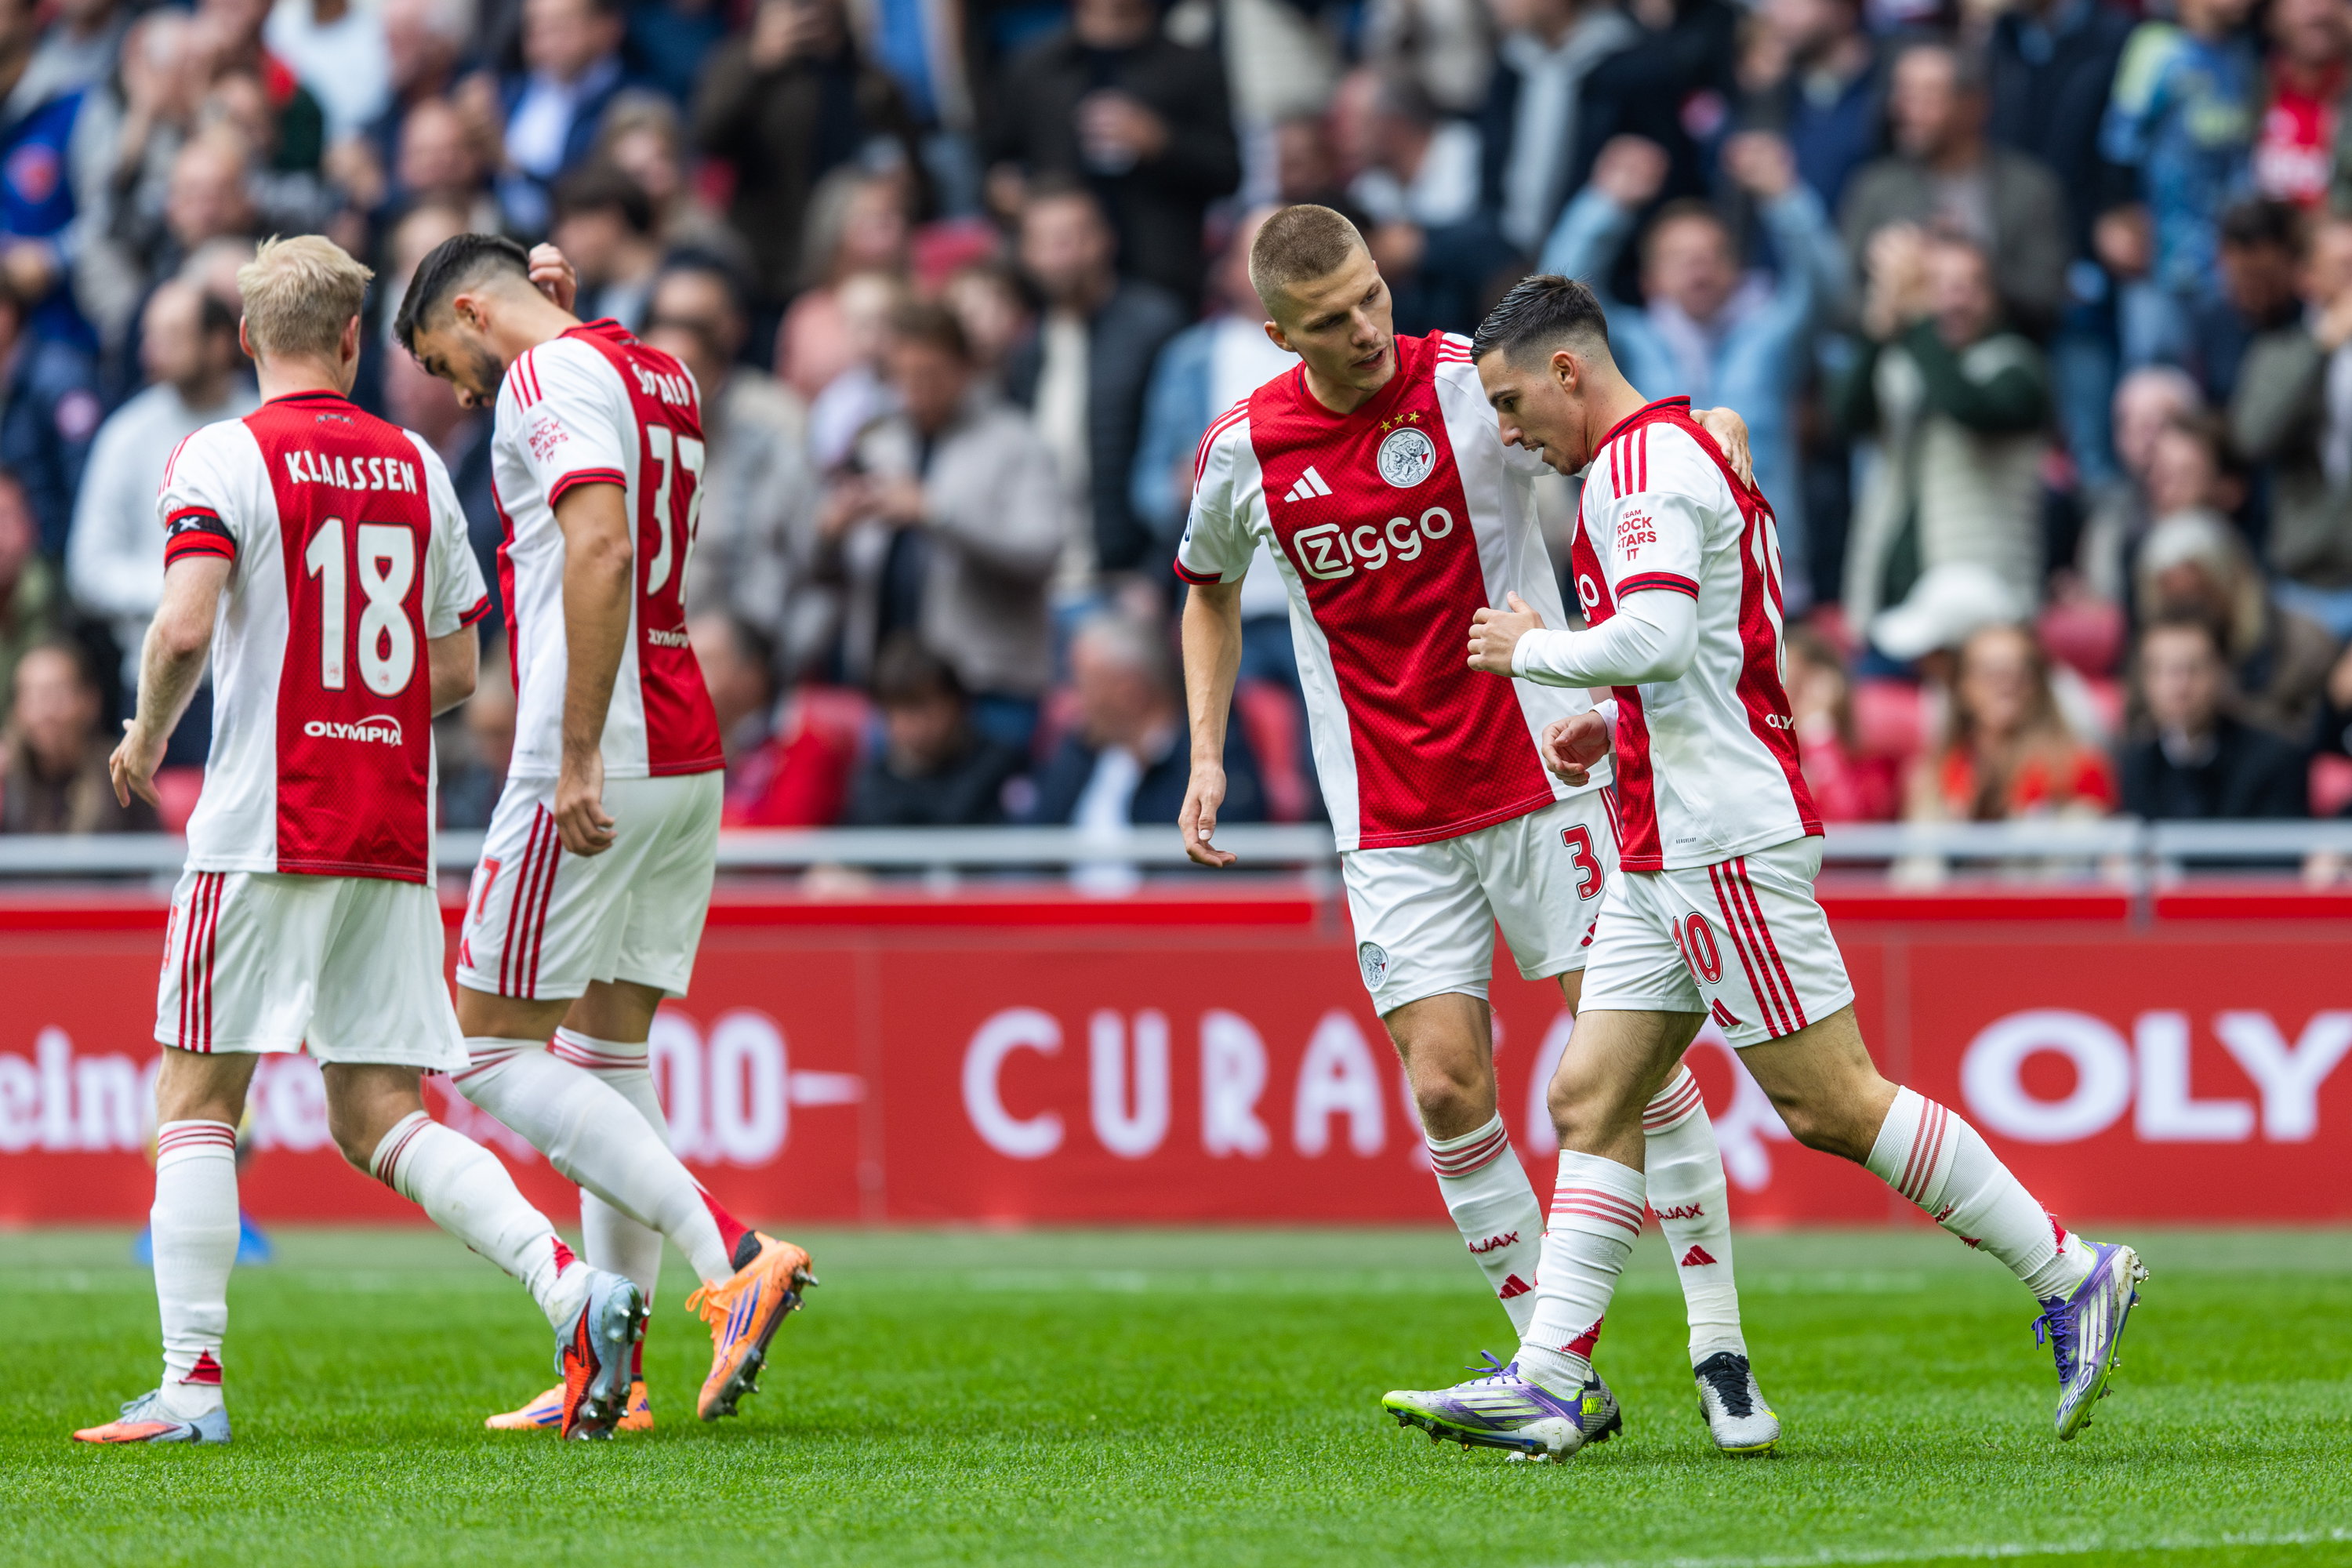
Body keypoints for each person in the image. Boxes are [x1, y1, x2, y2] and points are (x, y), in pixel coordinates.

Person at [1381, 272, 2144, 1460]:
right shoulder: (1690, 450)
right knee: (1590, 1095)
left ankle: (2070, 1270)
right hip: (1661, 838)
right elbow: (1707, 648)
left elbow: (1662, 631)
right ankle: (1550, 1379)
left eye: (1513, 399)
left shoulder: (1638, 468)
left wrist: (1542, 656)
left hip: (1717, 842)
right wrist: (1615, 716)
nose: (1509, 430)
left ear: (1570, 371)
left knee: (1830, 1102)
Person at [1176, 205, 1780, 1455]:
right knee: (1449, 1085)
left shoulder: (1470, 383)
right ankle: (1547, 1362)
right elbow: (1208, 588)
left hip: (1541, 773)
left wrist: (1714, 427)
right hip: (1387, 816)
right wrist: (1205, 752)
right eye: (1331, 318)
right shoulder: (1243, 451)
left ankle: (1719, 1345)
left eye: (1372, 296)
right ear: (1278, 331)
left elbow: (1626, 430)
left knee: (1631, 1068)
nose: (1364, 326)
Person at [73, 235, 647, 1446]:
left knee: (194, 1094)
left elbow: (182, 627)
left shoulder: (220, 453)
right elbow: (453, 664)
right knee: (382, 1108)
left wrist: (142, 737)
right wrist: (353, 695)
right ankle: (570, 1287)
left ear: (247, 339)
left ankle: (192, 1384)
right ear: (349, 341)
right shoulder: (416, 466)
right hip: (386, 827)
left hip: (259, 827)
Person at [394, 233, 816, 1432]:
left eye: (449, 361)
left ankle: (730, 1250)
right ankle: (616, 1371)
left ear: (477, 313)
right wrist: (559, 318)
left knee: (481, 1050)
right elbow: (598, 403)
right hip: (687, 750)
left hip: (595, 751)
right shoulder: (655, 368)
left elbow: (602, 542)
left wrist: (573, 749)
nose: (466, 394)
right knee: (606, 1053)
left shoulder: (539, 380)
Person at [1542, 131, 1842, 609]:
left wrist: (1785, 199)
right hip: (1652, 574)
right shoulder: (1625, 345)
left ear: (1737, 268)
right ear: (1649, 279)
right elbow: (1556, 307)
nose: (1699, 268)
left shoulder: (1772, 337)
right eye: (1680, 259)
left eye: (1713, 256)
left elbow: (1829, 294)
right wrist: (1607, 205)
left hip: (1768, 578)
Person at [826, 299, 1063, 746]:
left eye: (929, 375)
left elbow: (1042, 550)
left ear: (965, 368)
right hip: (891, 692)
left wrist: (937, 512)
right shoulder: (876, 441)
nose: (915, 390)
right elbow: (829, 565)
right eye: (903, 377)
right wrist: (830, 533)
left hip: (987, 688)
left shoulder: (1016, 442)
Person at [1838, 231, 2049, 651]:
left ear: (1994, 297)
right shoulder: (1904, 361)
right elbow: (1845, 418)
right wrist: (1880, 330)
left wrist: (1917, 321)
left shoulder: (2018, 367)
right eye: (1937, 286)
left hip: (1985, 612)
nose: (1955, 301)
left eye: (1970, 286)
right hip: (1887, 605)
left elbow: (1965, 403)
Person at [68, 281, 256, 710]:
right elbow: (89, 569)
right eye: (150, 336)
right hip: (156, 676)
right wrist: (186, 592)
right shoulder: (125, 436)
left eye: (171, 336)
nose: (150, 352)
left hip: (255, 677)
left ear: (220, 342)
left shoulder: (265, 425)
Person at [982, 0, 1240, 307]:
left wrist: (1162, 143)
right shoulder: (1032, 67)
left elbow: (1228, 172)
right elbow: (997, 163)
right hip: (1057, 280)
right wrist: (1006, 191)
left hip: (1161, 272)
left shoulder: (1193, 68)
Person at [690, 0, 927, 308]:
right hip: (764, 259)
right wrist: (758, 63)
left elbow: (912, 173)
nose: (808, 11)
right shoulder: (741, 62)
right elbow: (708, 137)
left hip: (847, 267)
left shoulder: (870, 81)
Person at [1004, 181, 1185, 584]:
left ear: (1107, 240)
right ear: (1025, 254)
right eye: (1045, 241)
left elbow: (1182, 465)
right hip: (1045, 581)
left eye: (1075, 237)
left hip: (1128, 579)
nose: (1061, 253)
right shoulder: (1026, 350)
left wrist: (1156, 578)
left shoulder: (1152, 326)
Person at [641, 260, 818, 671]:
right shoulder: (618, 441)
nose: (668, 388)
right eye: (655, 373)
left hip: (729, 646)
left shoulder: (767, 429)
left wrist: (747, 639)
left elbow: (779, 558)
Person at [1840, 43, 2071, 340]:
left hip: (2002, 352)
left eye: (1927, 96)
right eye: (1902, 94)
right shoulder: (1875, 188)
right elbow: (1839, 298)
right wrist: (1887, 303)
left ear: (1974, 106)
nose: (1906, 110)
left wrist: (1964, 272)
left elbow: (2047, 296)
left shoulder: (2029, 188)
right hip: (1898, 356)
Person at [2100, 0, 2259, 365]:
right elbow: (2119, 143)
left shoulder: (2246, 53)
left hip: (2227, 266)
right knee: (2157, 384)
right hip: (2160, 261)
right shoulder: (2157, 47)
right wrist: (2121, 217)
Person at [2227, 212, 2352, 639]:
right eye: (2346, 268)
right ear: (2309, 277)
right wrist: (2320, 349)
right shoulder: (2280, 350)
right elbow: (2253, 435)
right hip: (2307, 584)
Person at [1903, 622, 2116, 822]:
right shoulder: (1937, 773)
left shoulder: (2077, 768)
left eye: (2019, 671)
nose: (2006, 684)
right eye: (1989, 672)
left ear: (2037, 685)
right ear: (1963, 686)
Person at [2120, 614, 2308, 819]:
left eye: (2193, 668)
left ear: (2222, 672)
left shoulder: (2272, 759)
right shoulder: (2135, 765)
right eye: (2161, 670)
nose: (2178, 687)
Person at [844, 633, 1025, 827]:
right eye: (900, 712)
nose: (915, 725)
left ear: (956, 703)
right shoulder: (872, 785)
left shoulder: (998, 767)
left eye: (922, 708)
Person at [497, 0, 630, 234]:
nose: (545, 41)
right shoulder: (511, 92)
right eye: (535, 28)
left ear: (606, 28)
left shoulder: (629, 101)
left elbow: (591, 189)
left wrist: (511, 164)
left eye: (560, 27)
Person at [0, 640, 157, 833]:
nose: (45, 712)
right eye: (32, 697)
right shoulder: (8, 779)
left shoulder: (121, 774)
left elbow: (150, 853)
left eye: (57, 694)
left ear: (91, 701)